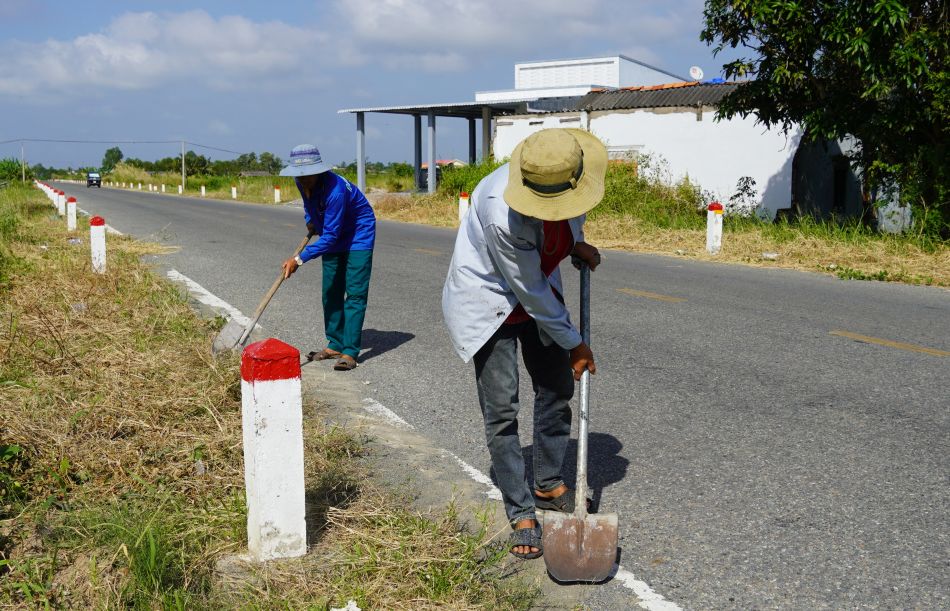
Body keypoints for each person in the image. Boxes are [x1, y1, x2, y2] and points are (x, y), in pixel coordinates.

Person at [442, 128, 605, 559]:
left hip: (537, 296)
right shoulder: (502, 210)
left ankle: (548, 484)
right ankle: (520, 510)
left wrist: (575, 245)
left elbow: (563, 226)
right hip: (490, 303)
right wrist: (576, 343)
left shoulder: (570, 176)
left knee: (556, 390)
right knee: (502, 409)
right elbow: (530, 291)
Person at [280, 143, 376, 371]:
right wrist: (310, 219)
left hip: (358, 234)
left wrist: (299, 259)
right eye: (299, 175)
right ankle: (335, 343)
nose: (303, 180)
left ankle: (350, 350)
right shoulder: (301, 182)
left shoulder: (336, 191)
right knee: (331, 290)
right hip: (331, 230)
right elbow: (309, 205)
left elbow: (331, 237)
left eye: (308, 175)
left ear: (319, 171)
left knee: (354, 292)